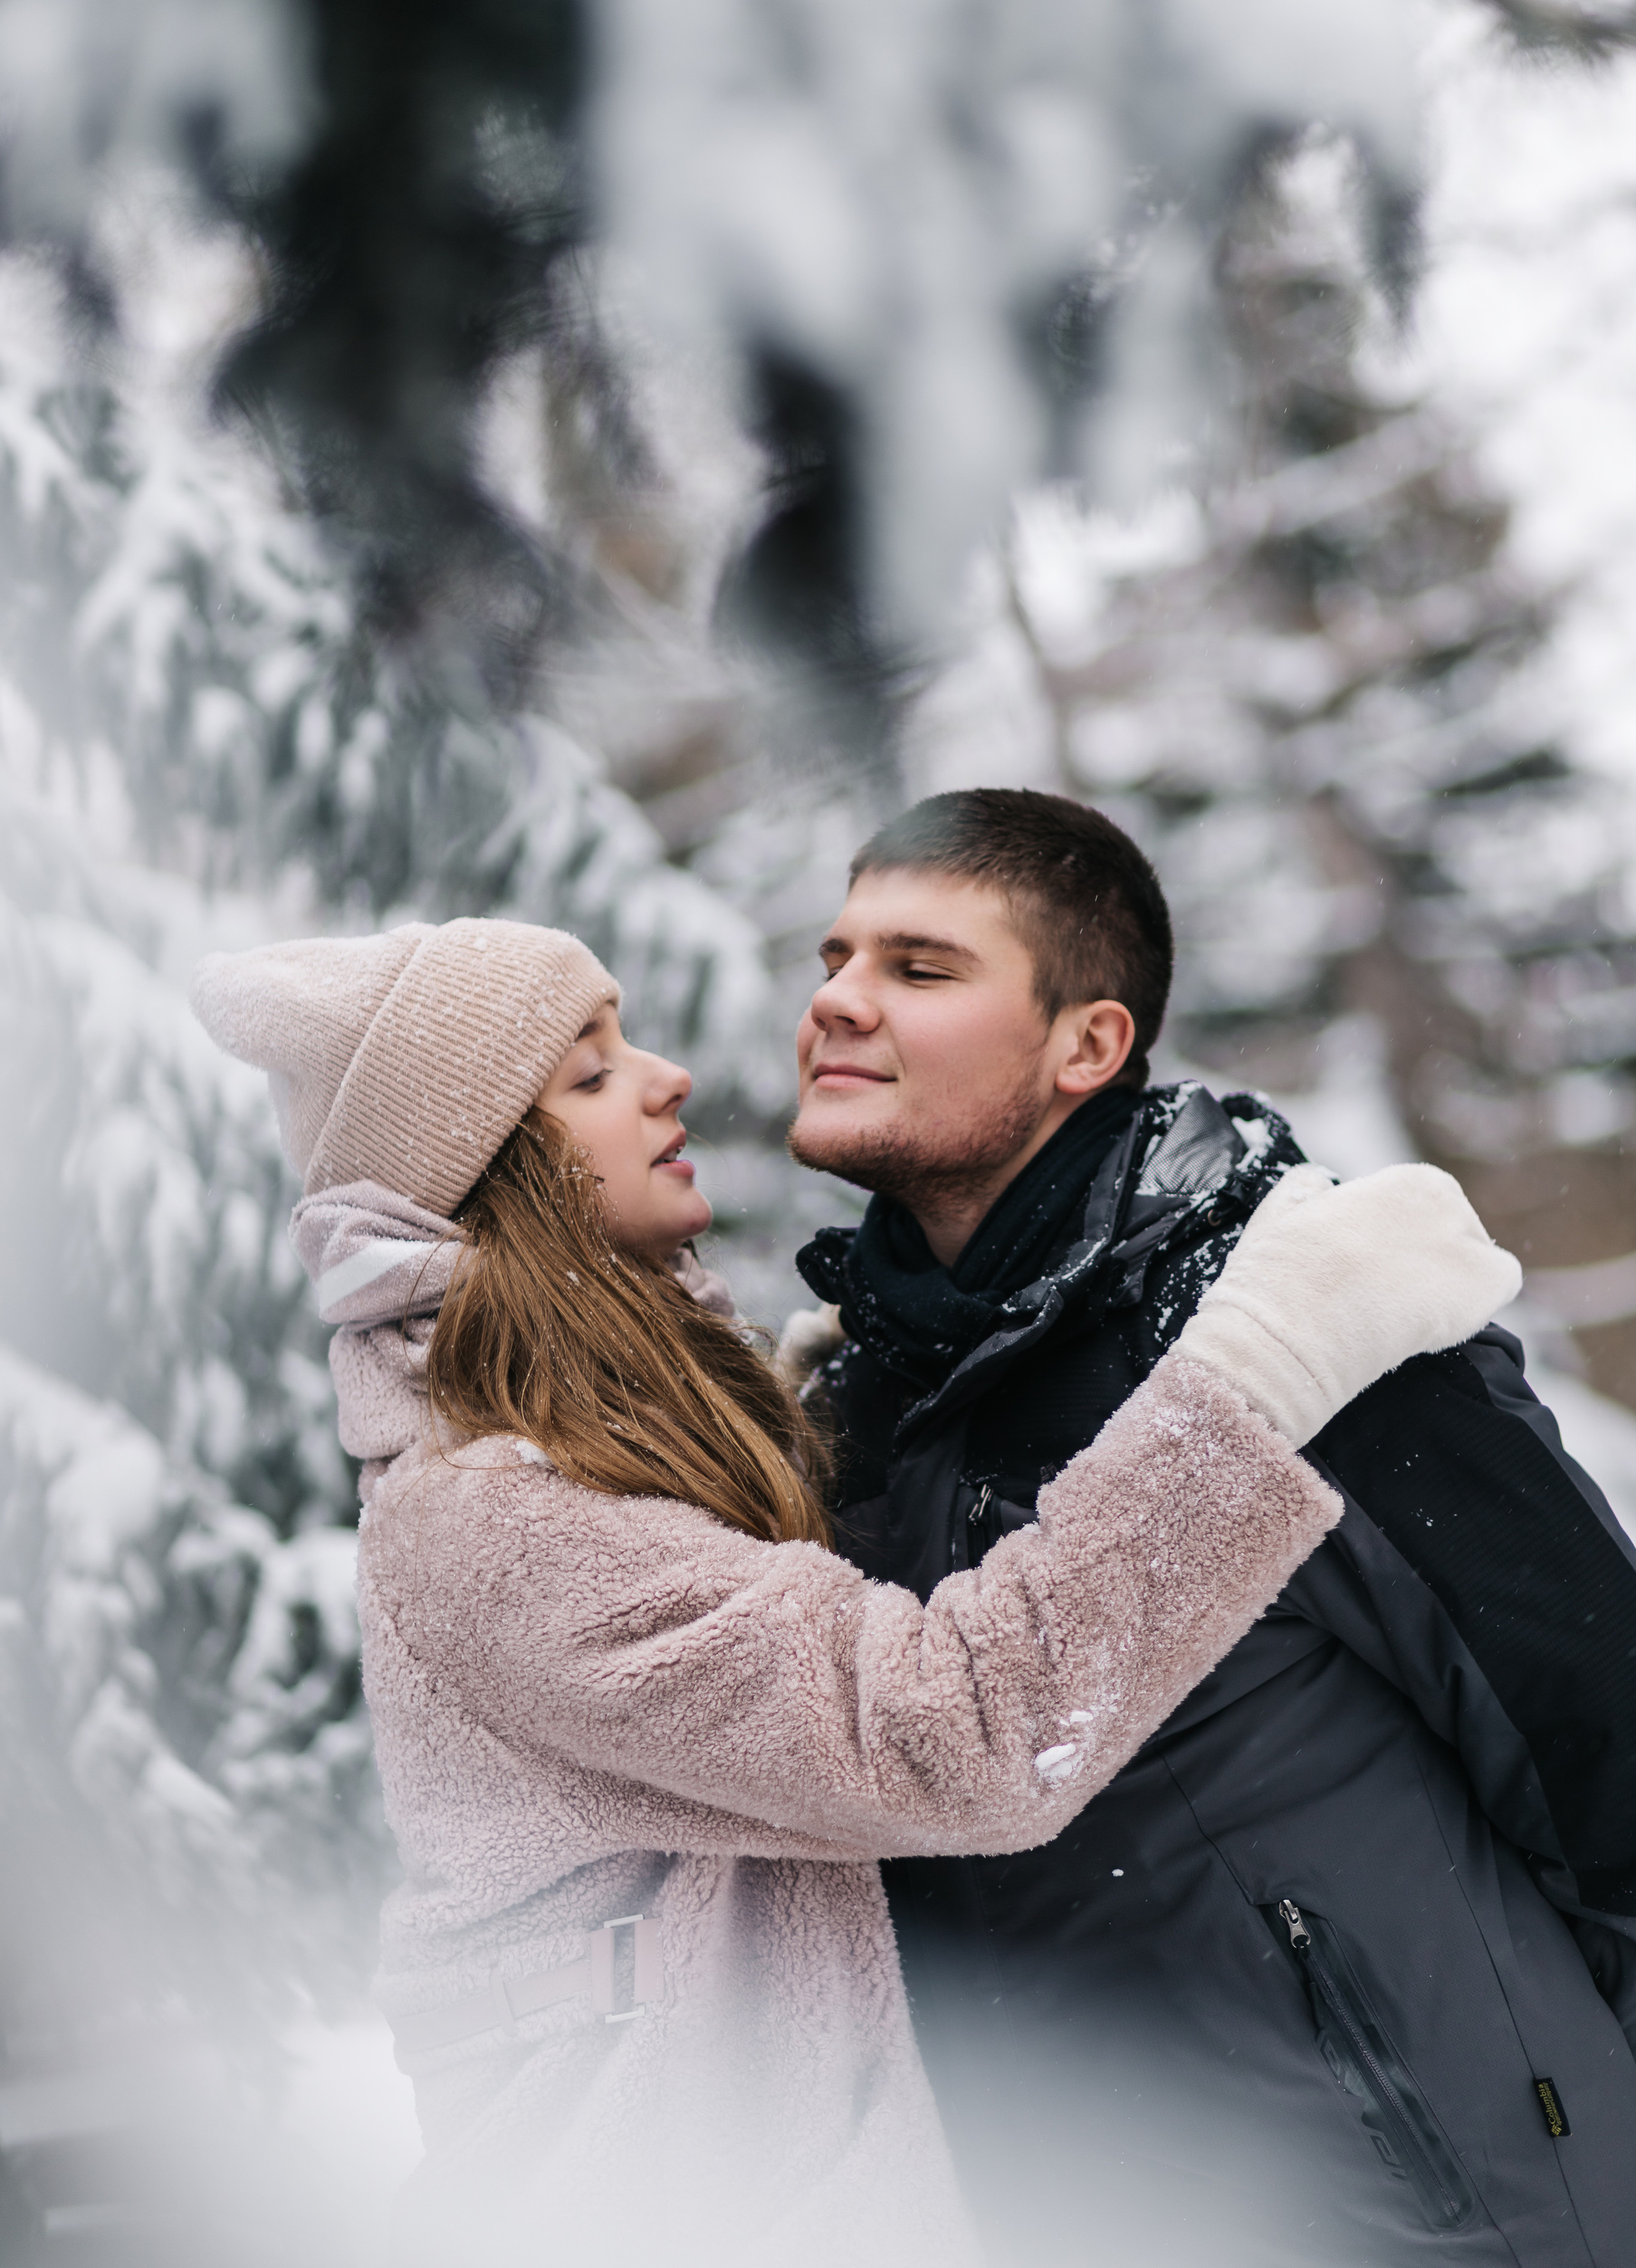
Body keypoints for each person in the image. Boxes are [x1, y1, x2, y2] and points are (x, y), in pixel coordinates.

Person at [188, 914, 1515, 2268]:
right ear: (489, 1180)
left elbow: (781, 1657)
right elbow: (958, 1729)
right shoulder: (491, 1521)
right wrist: (1259, 1371)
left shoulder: (586, 1454)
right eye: (585, 1077)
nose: (664, 1077)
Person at [785, 786, 1636, 2268]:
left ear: (1086, 1044)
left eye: (917, 971)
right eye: (833, 958)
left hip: (1451, 2213)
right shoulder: (851, 1412)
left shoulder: (1290, 1322)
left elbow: (1603, 1744)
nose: (838, 1004)